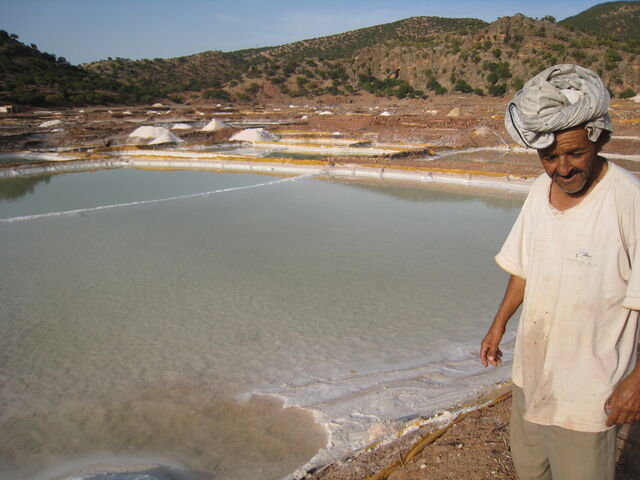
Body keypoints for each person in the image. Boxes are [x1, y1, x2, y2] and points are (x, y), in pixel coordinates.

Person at [480, 64, 640, 480]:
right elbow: (523, 267)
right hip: (531, 377)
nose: (562, 168)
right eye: (549, 157)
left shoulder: (628, 201)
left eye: (575, 153)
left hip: (589, 393)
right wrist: (499, 325)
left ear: (598, 138)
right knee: (530, 472)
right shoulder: (539, 191)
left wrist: (637, 381)